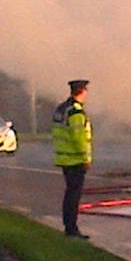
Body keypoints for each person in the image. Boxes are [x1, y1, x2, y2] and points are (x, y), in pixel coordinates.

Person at [52, 78, 93, 239]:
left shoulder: (62, 109)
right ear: (82, 91)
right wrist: (86, 158)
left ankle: (69, 226)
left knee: (70, 194)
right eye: (86, 90)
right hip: (75, 160)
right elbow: (79, 138)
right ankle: (72, 229)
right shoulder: (76, 112)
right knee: (73, 197)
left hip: (64, 158)